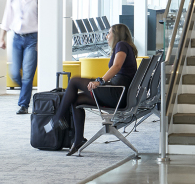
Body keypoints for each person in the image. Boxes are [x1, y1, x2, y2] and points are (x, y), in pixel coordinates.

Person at [58, 23, 139, 156]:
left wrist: (99, 81)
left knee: (74, 81)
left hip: (116, 94)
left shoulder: (121, 45)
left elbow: (117, 66)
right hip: (120, 94)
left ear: (116, 35)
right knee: (77, 100)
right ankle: (78, 140)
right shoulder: (126, 46)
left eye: (109, 33)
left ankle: (58, 117)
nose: (107, 36)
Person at [0, 0, 38, 114]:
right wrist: (1, 37)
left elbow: (42, 21)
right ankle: (25, 91)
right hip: (16, 38)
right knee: (15, 73)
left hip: (32, 39)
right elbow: (7, 17)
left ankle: (23, 105)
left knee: (28, 74)